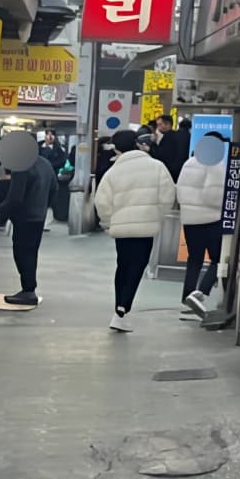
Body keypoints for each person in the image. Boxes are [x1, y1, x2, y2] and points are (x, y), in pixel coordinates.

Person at [93, 128, 174, 332]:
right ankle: (121, 310)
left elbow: (102, 202)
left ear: (117, 148)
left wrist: (109, 223)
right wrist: (157, 216)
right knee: (137, 267)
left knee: (123, 266)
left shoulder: (113, 172)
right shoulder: (157, 167)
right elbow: (168, 195)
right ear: (137, 143)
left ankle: (119, 308)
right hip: (146, 228)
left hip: (121, 229)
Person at [0, 132, 56, 306]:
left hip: (24, 217)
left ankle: (28, 292)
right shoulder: (45, 163)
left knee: (22, 254)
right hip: (38, 216)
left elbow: (15, 198)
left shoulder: (21, 166)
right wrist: (43, 206)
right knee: (31, 253)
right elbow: (54, 188)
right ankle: (29, 290)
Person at [174, 135, 224, 314]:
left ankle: (187, 296)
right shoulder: (216, 165)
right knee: (218, 260)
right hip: (211, 219)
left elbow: (179, 191)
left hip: (190, 220)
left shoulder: (189, 163)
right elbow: (213, 196)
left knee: (194, 259)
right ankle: (200, 293)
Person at [157, 116, 191, 182]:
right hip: (184, 171)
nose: (158, 128)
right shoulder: (190, 137)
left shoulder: (169, 136)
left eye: (160, 124)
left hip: (169, 172)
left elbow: (160, 154)